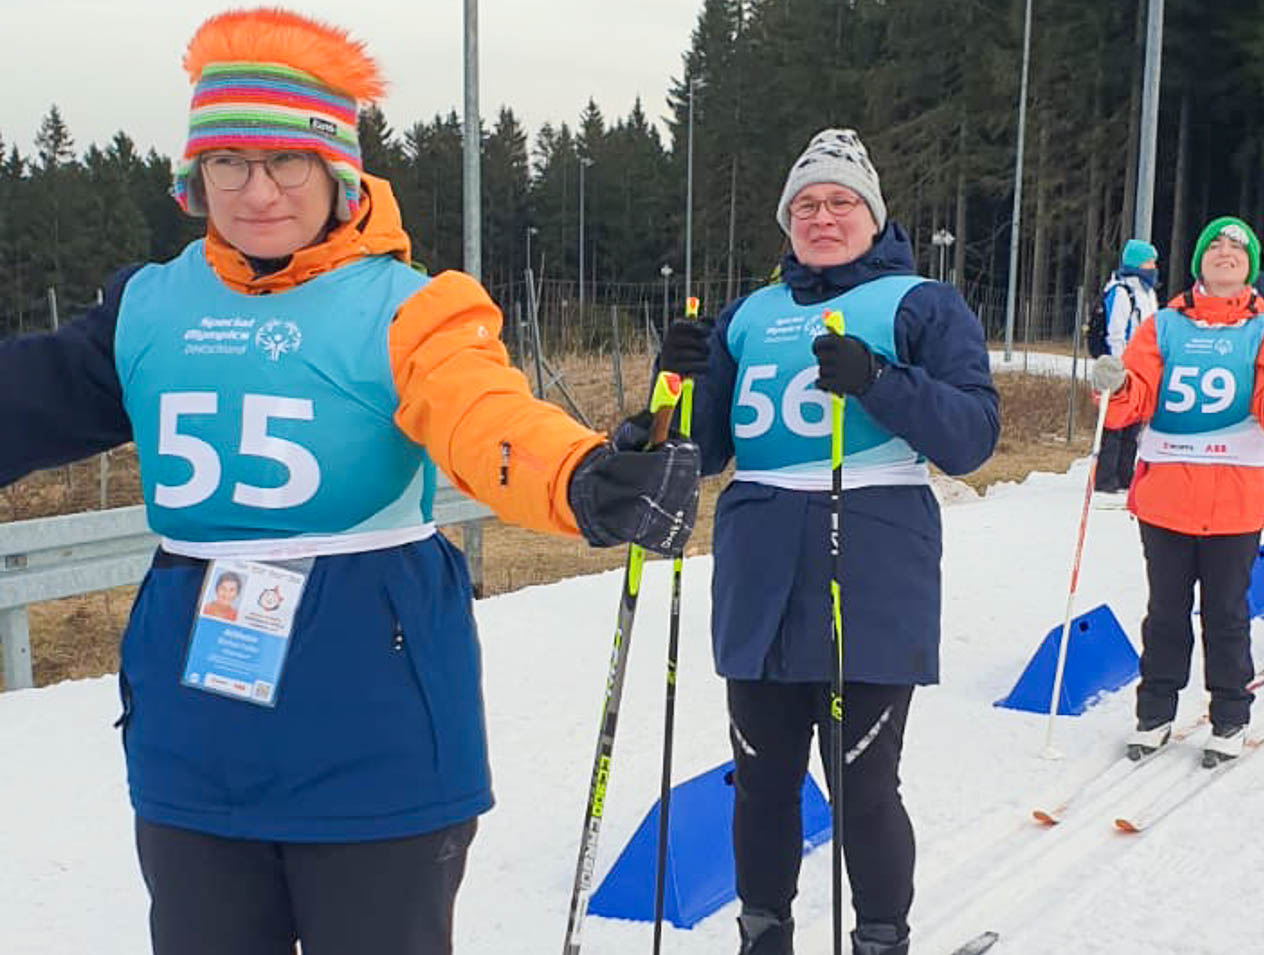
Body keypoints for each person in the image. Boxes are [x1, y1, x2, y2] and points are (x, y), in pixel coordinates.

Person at [0, 10, 700, 955]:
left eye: (286, 160)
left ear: (338, 167)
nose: (257, 192)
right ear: (194, 178)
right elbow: (24, 399)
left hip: (373, 725)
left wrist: (580, 475)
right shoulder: (148, 307)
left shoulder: (409, 307)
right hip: (197, 737)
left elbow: (481, 414)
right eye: (228, 163)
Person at [653, 128, 999, 955]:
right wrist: (671, 380)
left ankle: (881, 939)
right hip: (759, 575)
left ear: (873, 214)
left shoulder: (922, 303)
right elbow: (693, 451)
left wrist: (881, 382)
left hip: (872, 569)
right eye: (805, 204)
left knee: (863, 787)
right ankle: (762, 936)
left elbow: (973, 436)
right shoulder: (747, 315)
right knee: (761, 784)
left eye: (841, 201)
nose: (822, 216)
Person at [1090, 216, 1264, 766]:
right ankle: (1156, 711)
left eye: (1239, 246)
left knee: (1226, 613)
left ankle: (1230, 714)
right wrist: (1116, 385)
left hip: (1233, 496)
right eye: (1216, 243)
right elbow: (1134, 399)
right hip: (1167, 492)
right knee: (1165, 610)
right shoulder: (1165, 324)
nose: (1226, 251)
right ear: (1199, 262)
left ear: (1253, 266)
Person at [1095, 239, 1159, 493]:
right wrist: (1119, 365)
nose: (1153, 267)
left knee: (1133, 423)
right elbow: (1116, 333)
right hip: (1123, 366)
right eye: (1149, 261)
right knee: (1115, 423)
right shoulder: (1122, 291)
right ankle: (1106, 477)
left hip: (1144, 367)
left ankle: (1125, 474)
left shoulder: (1148, 292)